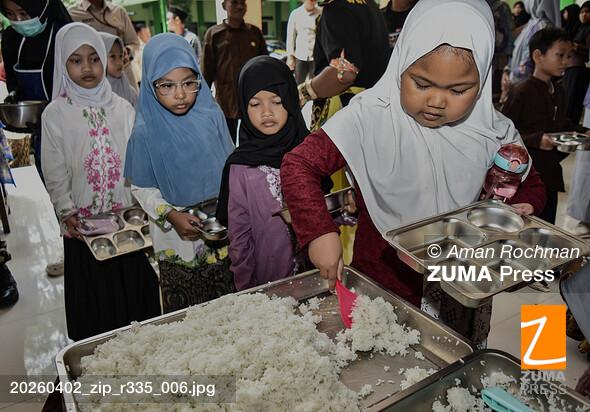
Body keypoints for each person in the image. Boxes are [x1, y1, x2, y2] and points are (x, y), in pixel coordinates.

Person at [281, 0, 546, 346]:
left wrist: (525, 205)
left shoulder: (493, 130)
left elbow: (530, 184)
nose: (437, 101)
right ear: (401, 65)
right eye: (421, 84)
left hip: (462, 287)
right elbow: (299, 165)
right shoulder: (371, 116)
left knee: (453, 362)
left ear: (482, 81)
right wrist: (319, 232)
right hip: (385, 285)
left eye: (458, 90)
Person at [41, 23, 160, 341]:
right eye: (76, 60)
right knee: (97, 298)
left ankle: (139, 343)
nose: (87, 68)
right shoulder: (56, 114)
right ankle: (102, 350)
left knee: (133, 296)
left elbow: (137, 157)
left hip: (124, 220)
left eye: (94, 59)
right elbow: (54, 169)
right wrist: (65, 210)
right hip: (84, 225)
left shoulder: (121, 108)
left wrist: (143, 201)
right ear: (63, 64)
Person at [125, 33, 234, 313]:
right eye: (167, 85)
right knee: (188, 314)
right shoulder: (145, 132)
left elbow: (231, 167)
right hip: (176, 237)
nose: (181, 94)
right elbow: (142, 188)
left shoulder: (212, 115)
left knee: (229, 307)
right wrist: (172, 216)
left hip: (220, 230)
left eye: (188, 82)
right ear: (150, 84)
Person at [216, 56, 309, 291]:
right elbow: (239, 238)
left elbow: (330, 210)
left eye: (277, 102)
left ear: (290, 100)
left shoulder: (309, 153)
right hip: (268, 284)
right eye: (255, 104)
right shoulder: (240, 167)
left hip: (316, 274)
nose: (266, 112)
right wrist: (247, 291)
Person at [503, 27, 588, 226]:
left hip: (549, 175)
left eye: (569, 56)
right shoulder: (521, 92)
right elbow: (503, 133)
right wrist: (536, 139)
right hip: (525, 179)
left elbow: (561, 123)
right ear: (538, 56)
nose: (566, 61)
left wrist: (581, 132)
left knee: (546, 225)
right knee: (524, 227)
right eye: (560, 55)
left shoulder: (559, 91)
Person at [0, 0, 72, 174]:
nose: (18, 20)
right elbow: (13, 81)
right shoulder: (11, 38)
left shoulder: (65, 34)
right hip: (35, 129)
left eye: (23, 13)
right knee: (46, 176)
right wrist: (14, 96)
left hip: (70, 127)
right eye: (10, 14)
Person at [299, 0, 389, 133]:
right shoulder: (369, 5)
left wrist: (302, 93)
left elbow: (343, 74)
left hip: (345, 114)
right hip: (373, 110)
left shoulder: (337, 9)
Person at [201, 0, 267, 143]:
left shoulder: (254, 33)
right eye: (234, 2)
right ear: (224, 5)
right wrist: (203, 100)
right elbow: (207, 70)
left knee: (251, 142)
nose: (239, 6)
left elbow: (265, 66)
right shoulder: (214, 34)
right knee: (226, 142)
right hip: (226, 100)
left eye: (242, 2)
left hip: (251, 98)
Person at [68, 0, 140, 91]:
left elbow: (134, 42)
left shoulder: (119, 12)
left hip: (123, 76)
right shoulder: (72, 14)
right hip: (94, 80)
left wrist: (127, 51)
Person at [509, 0, 561, 86]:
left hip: (527, 82)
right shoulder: (535, 23)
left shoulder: (540, 26)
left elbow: (527, 61)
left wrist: (513, 75)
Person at [563, 1, 590, 124]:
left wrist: (576, 46)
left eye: (587, 12)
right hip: (571, 67)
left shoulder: (588, 30)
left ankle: (571, 126)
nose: (584, 15)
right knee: (568, 99)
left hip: (579, 69)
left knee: (573, 101)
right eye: (582, 12)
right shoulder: (579, 28)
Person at [286, 0, 321, 85]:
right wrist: (290, 57)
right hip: (300, 55)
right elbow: (290, 36)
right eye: (311, 0)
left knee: (316, 84)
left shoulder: (321, 12)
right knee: (299, 83)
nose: (313, 2)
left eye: (315, 0)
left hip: (316, 55)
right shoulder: (295, 14)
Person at [100, 32, 137, 107]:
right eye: (112, 56)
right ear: (101, 58)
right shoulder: (98, 93)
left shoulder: (129, 90)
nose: (119, 62)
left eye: (120, 56)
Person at [487, 0, 514, 101]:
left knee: (495, 90)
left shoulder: (502, 7)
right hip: (487, 52)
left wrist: (509, 57)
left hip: (498, 56)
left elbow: (509, 34)